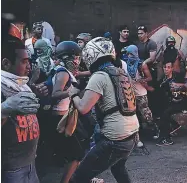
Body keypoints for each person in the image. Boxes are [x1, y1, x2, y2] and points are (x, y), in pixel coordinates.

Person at [69, 37, 139, 183]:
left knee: (78, 178)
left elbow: (83, 108)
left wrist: (72, 94)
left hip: (115, 138)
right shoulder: (121, 72)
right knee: (118, 169)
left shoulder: (99, 76)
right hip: (132, 134)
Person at [1, 35, 41, 183]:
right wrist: (4, 108)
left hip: (29, 162)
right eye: (24, 62)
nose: (29, 66)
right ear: (6, 63)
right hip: (11, 168)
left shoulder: (20, 84)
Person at [50, 41, 91, 183]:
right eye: (75, 58)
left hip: (66, 115)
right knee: (76, 154)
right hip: (61, 117)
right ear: (67, 58)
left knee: (80, 148)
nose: (77, 61)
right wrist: (72, 93)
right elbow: (55, 94)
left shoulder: (65, 72)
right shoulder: (63, 73)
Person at [124, 45, 159, 146]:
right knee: (132, 116)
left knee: (147, 115)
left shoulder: (141, 64)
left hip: (141, 93)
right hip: (130, 94)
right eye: (128, 54)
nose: (129, 56)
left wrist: (142, 80)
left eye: (130, 54)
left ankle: (156, 131)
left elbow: (149, 78)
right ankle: (137, 138)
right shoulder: (125, 64)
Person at [156, 60, 187, 146]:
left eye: (168, 67)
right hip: (168, 103)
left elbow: (185, 88)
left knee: (165, 115)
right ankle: (171, 128)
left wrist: (178, 87)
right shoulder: (163, 79)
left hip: (178, 103)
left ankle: (166, 138)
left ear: (172, 68)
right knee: (161, 113)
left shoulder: (175, 79)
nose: (166, 69)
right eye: (165, 67)